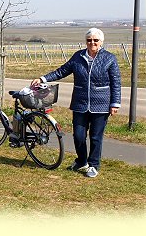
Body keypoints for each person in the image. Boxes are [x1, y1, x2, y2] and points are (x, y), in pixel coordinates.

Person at [30, 28, 121, 178]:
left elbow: (116, 82)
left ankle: (93, 165)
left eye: (95, 40)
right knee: (78, 135)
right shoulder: (78, 56)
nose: (92, 43)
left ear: (101, 42)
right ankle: (81, 161)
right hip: (80, 102)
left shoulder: (109, 58)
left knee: (95, 137)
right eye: (89, 40)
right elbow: (62, 71)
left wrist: (115, 103)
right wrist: (43, 79)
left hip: (101, 104)